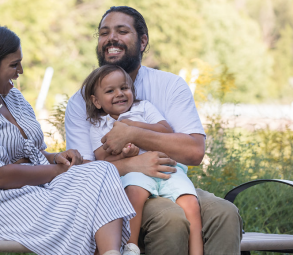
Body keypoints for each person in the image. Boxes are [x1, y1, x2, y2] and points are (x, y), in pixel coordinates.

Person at [65, 6, 243, 255]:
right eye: (104, 33)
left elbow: (194, 152)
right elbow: (82, 172)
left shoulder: (170, 85)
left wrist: (133, 133)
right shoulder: (82, 101)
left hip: (171, 181)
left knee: (225, 213)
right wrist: (135, 164)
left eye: (122, 31)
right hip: (120, 193)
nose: (111, 38)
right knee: (169, 218)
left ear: (143, 41)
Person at [0, 24, 136, 255]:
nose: (21, 71)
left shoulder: (12, 97)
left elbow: (31, 153)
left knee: (102, 170)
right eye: (14, 65)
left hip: (37, 186)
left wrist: (56, 157)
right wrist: (57, 171)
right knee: (85, 206)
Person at [81, 64, 203, 255]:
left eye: (124, 88)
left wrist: (134, 128)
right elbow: (102, 158)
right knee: (134, 193)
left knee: (191, 203)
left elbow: (166, 130)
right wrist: (124, 155)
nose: (119, 93)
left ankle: (197, 252)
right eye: (110, 91)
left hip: (166, 168)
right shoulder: (98, 125)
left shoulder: (144, 107)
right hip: (136, 173)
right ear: (96, 101)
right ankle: (131, 247)